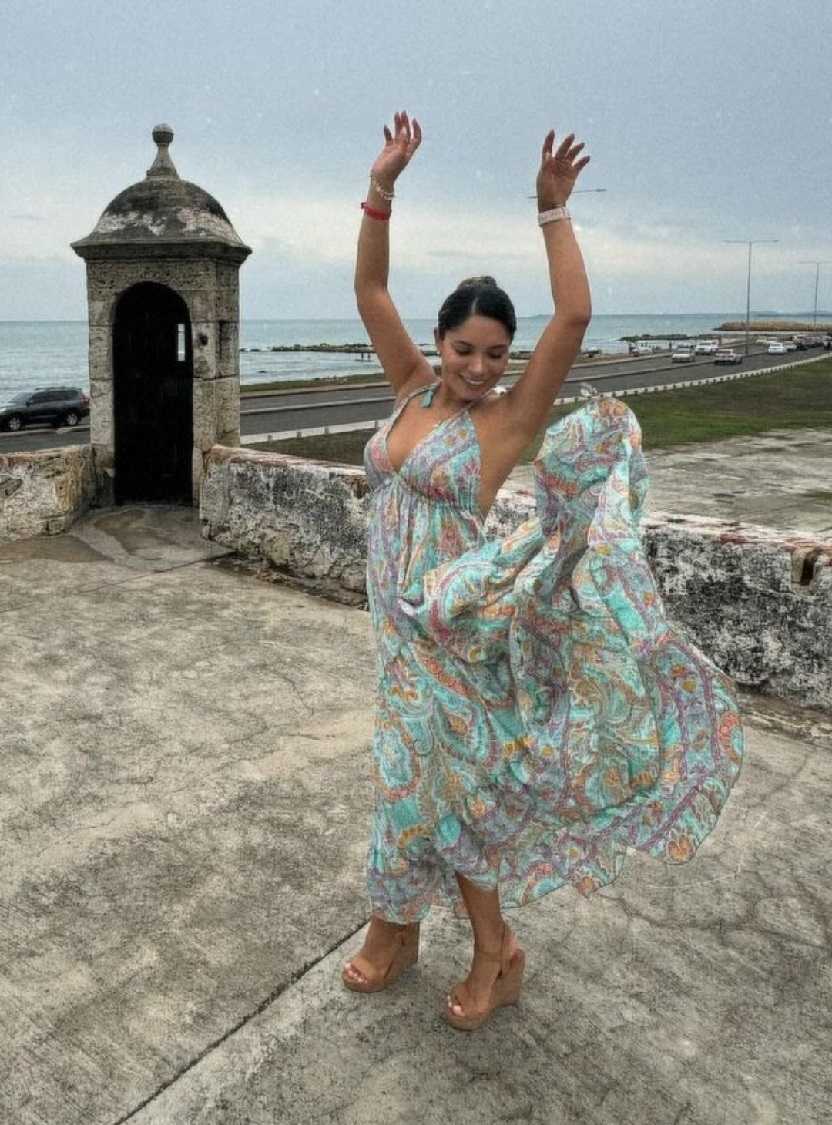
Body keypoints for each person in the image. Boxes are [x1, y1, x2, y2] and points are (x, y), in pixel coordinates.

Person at [342, 111, 743, 1031]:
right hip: (393, 627)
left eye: (496, 354)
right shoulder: (410, 386)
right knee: (406, 773)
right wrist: (382, 186)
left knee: (453, 786)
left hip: (453, 627)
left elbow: (574, 316)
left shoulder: (506, 421)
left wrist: (552, 212)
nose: (480, 367)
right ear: (440, 341)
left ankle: (497, 949)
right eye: (465, 349)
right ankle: (395, 926)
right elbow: (368, 285)